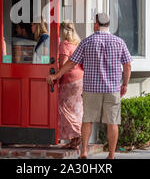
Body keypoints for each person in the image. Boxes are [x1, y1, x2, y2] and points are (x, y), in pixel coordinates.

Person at [46, 13, 132, 159]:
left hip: (92, 89)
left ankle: (84, 151)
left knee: (87, 120)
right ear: (108, 25)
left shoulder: (87, 42)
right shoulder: (119, 42)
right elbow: (127, 65)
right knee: (112, 122)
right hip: (112, 89)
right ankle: (111, 155)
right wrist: (125, 84)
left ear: (96, 25)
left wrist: (56, 75)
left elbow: (72, 62)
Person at [57, 21, 84, 149]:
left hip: (69, 80)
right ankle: (74, 141)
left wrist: (56, 77)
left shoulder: (64, 44)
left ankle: (78, 133)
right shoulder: (77, 44)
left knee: (64, 109)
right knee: (76, 109)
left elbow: (63, 65)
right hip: (80, 80)